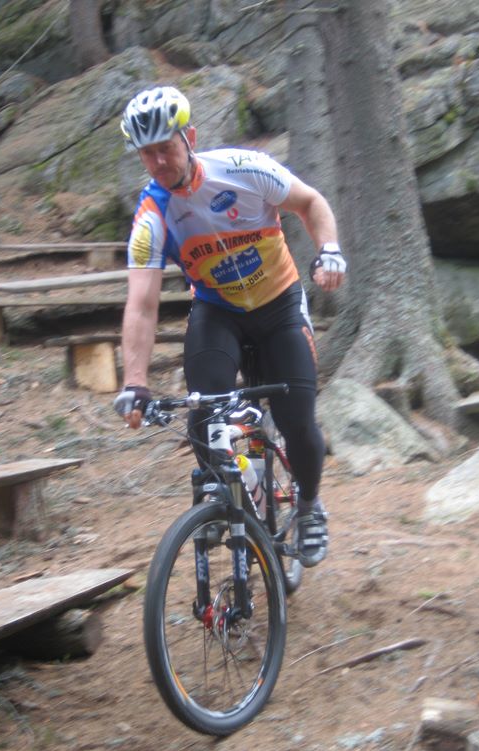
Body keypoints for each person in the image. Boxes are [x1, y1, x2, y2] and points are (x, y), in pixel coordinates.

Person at [114, 86, 346, 567]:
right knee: (202, 415)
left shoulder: (244, 169)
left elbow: (311, 202)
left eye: (166, 148)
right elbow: (141, 304)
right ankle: (229, 497)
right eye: (147, 154)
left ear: (190, 138)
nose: (158, 162)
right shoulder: (152, 215)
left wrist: (328, 250)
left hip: (279, 306)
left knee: (298, 422)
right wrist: (134, 382)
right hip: (218, 313)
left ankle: (308, 505)